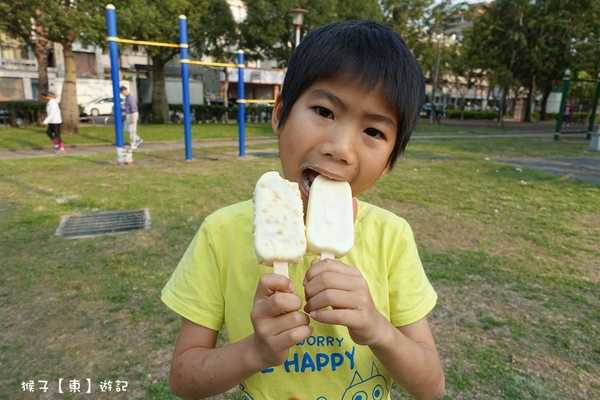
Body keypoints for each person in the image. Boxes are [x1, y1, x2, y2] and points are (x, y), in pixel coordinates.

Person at [162, 20, 444, 400]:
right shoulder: (221, 234)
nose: (340, 148)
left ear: (390, 160)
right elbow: (183, 379)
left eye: (374, 132)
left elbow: (431, 386)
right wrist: (255, 351)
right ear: (279, 114)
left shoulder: (392, 237)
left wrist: (379, 329)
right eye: (325, 111)